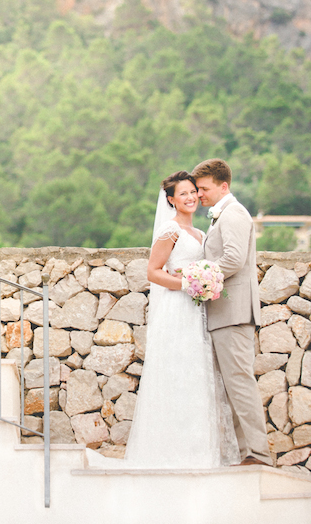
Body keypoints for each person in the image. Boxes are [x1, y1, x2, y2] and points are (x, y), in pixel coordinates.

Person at [88, 170, 239, 469]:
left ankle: (200, 451)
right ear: (171, 200)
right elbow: (153, 272)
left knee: (198, 374)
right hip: (177, 308)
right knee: (177, 372)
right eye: (183, 193)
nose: (191, 197)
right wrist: (187, 284)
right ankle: (171, 453)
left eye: (193, 191)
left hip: (198, 310)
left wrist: (201, 282)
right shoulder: (170, 231)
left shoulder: (200, 233)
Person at [192, 158, 273, 467]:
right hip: (224, 312)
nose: (200, 195)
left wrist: (200, 278)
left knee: (240, 383)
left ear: (223, 186)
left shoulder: (234, 213)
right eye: (198, 189)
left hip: (234, 311)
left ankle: (259, 454)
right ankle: (247, 454)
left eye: (204, 189)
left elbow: (234, 259)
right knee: (232, 385)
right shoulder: (220, 216)